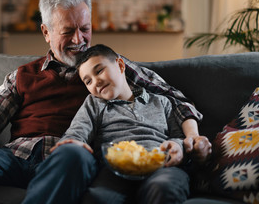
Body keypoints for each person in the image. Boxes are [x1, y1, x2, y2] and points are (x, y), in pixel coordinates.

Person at [0, 0, 211, 204]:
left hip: (71, 158)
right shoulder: (21, 76)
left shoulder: (110, 68)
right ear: (46, 32)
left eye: (85, 28)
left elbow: (177, 99)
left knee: (73, 154)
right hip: (15, 158)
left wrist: (190, 138)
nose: (79, 39)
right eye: (67, 31)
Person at [51, 44, 194, 203]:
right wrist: (70, 144)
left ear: (120, 65)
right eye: (88, 81)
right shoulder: (95, 103)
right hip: (114, 170)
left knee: (164, 188)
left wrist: (177, 146)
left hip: (160, 166)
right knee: (99, 198)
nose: (96, 82)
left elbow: (179, 137)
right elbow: (76, 133)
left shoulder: (161, 102)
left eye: (99, 71)